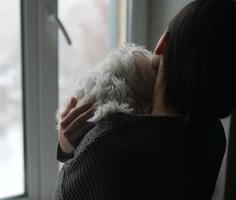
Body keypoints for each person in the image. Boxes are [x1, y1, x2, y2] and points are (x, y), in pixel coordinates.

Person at [53, 0, 236, 199]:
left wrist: (67, 149)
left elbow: (62, 195)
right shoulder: (213, 137)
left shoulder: (108, 144)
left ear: (162, 44)